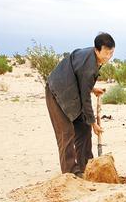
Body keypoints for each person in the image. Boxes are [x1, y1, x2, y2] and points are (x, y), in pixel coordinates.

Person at [46, 33, 115, 177]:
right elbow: (85, 99)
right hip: (57, 92)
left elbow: (81, 81)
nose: (109, 56)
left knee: (83, 127)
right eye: (106, 53)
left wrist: (92, 88)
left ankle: (87, 165)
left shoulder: (92, 57)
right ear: (97, 50)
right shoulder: (89, 66)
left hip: (72, 91)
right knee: (66, 132)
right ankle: (71, 171)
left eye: (111, 52)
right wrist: (93, 122)